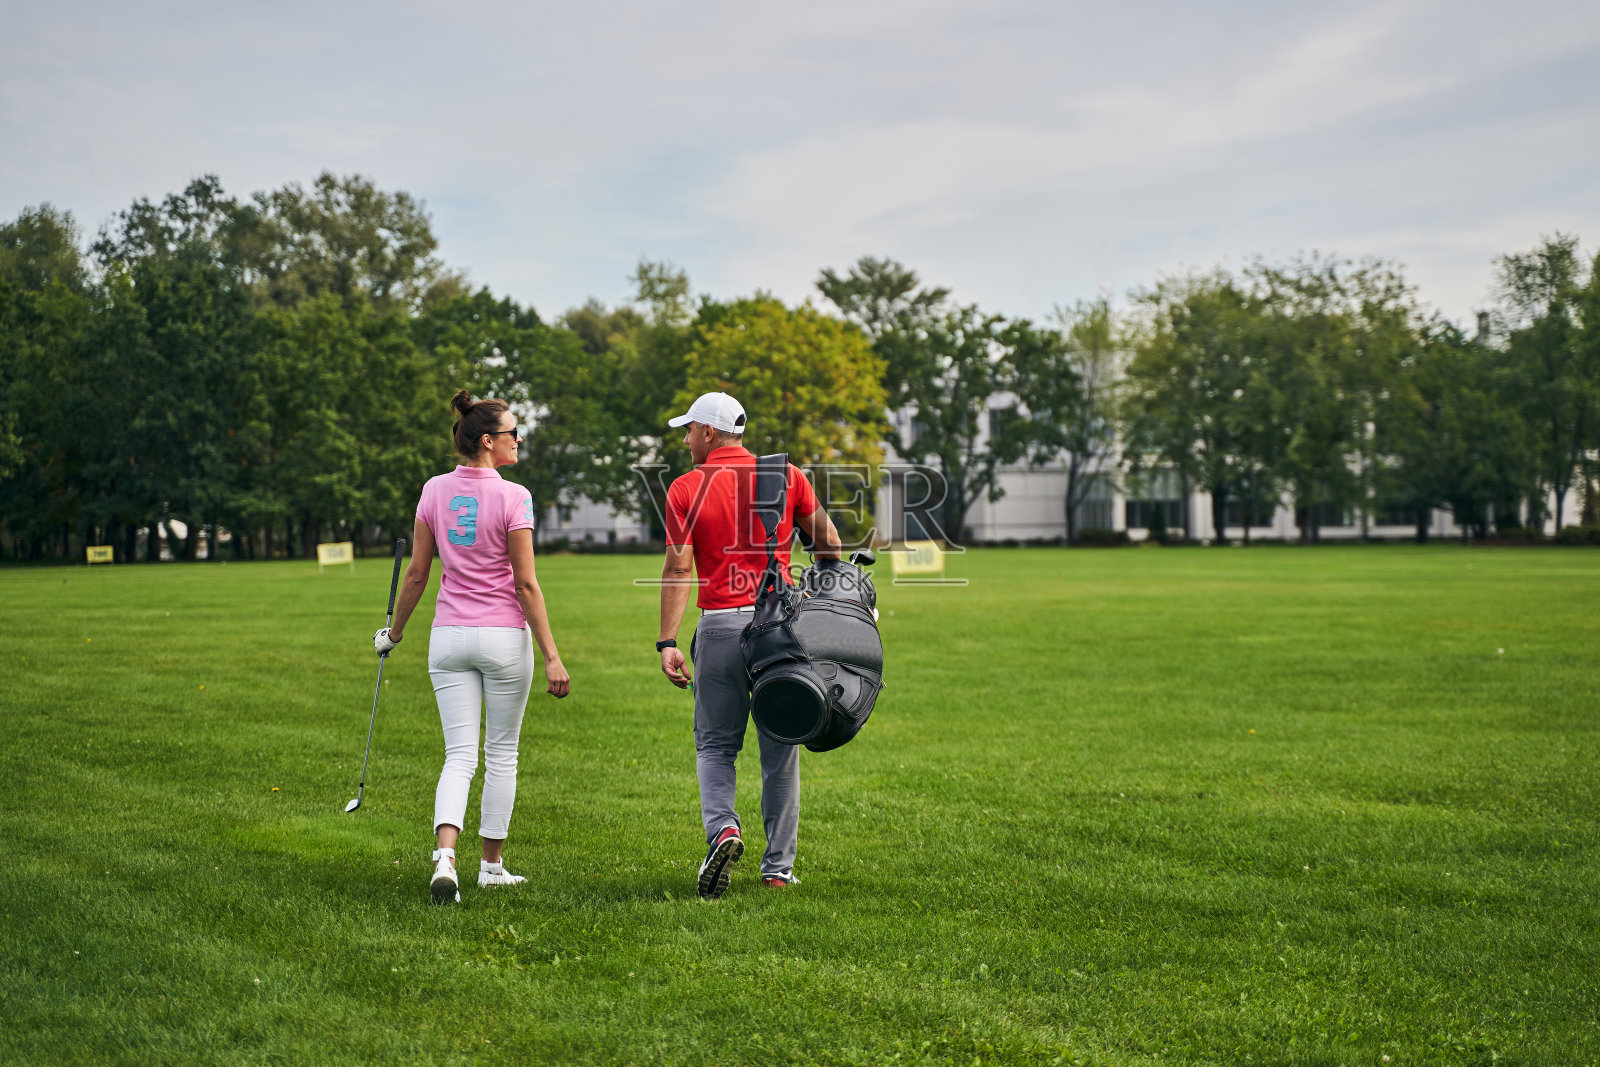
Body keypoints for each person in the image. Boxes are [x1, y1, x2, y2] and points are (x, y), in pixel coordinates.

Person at [374, 390, 571, 905]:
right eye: (512, 433)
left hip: (449, 637)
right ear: (487, 441)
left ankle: (445, 859)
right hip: (503, 638)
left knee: (458, 756)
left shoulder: (433, 489)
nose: (518, 440)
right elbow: (525, 585)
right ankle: (490, 867)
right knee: (501, 753)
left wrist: (393, 634)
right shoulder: (516, 496)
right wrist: (552, 655)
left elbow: (418, 574)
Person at [656, 391, 842, 899]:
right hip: (779, 630)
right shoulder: (787, 476)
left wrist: (667, 640)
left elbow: (679, 568)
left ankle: (724, 830)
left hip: (719, 627)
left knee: (716, 745)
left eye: (689, 430)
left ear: (709, 432)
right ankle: (778, 869)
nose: (687, 440)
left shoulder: (685, 488)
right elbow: (830, 544)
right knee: (780, 748)